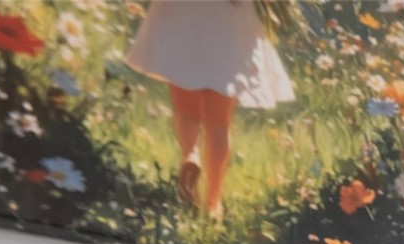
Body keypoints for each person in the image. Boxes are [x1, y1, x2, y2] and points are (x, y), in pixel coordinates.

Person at [124, 0, 295, 218]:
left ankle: (191, 154)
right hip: (229, 19)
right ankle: (213, 203)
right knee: (219, 123)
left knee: (186, 108)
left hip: (183, 13)